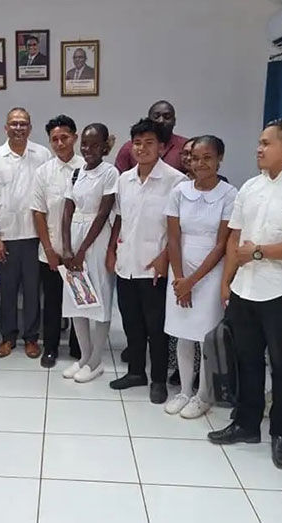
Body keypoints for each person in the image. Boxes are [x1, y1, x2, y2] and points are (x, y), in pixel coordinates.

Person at [208, 120, 282, 470]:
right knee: (246, 361)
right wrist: (226, 283)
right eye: (259, 143)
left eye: (265, 143)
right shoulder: (250, 186)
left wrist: (259, 252)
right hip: (244, 289)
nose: (258, 149)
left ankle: (280, 434)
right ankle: (246, 424)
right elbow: (234, 237)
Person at [107, 119, 188, 403]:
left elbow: (180, 229)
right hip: (126, 262)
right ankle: (135, 372)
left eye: (149, 143)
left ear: (163, 147)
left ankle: (158, 380)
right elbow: (120, 219)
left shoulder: (176, 182)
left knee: (157, 327)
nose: (142, 148)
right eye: (137, 143)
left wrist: (165, 258)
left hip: (156, 267)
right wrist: (111, 251)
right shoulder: (124, 179)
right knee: (131, 322)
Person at [163, 135, 237, 419]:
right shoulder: (180, 191)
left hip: (210, 271)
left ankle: (204, 394)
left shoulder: (230, 194)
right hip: (180, 266)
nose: (200, 163)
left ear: (219, 160)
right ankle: (184, 390)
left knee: (205, 335)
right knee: (182, 334)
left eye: (207, 158)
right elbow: (173, 235)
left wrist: (191, 282)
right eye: (195, 158)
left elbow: (221, 244)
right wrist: (180, 279)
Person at [0, 107, 53, 359]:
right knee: (8, 289)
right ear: (6, 127)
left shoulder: (42, 155)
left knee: (34, 290)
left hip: (35, 236)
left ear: (30, 128)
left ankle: (32, 338)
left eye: (23, 124)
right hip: (7, 236)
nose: (18, 128)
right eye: (14, 123)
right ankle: (8, 336)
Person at [60, 123, 118, 383]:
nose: (88, 149)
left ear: (105, 146)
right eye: (84, 144)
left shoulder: (110, 173)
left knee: (99, 301)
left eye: (95, 145)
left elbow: (104, 213)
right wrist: (67, 248)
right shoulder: (76, 173)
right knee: (77, 301)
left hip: (96, 240)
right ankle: (83, 357)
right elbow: (66, 211)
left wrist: (82, 250)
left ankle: (96, 361)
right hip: (74, 237)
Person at [31, 115, 85, 368]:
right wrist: (49, 249)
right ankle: (50, 348)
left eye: (65, 137)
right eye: (55, 139)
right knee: (52, 303)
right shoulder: (43, 172)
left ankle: (79, 347)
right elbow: (38, 213)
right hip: (51, 251)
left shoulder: (88, 168)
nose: (60, 143)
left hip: (81, 252)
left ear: (75, 137)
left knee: (80, 301)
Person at [114, 100, 190, 173]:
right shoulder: (130, 147)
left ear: (174, 121)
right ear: (149, 119)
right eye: (156, 116)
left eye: (167, 117)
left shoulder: (185, 146)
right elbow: (119, 178)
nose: (161, 120)